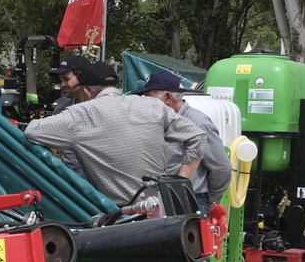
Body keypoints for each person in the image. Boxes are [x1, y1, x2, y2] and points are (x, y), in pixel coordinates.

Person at [24, 57, 211, 205]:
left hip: (120, 215)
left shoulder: (80, 114)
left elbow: (32, 131)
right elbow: (198, 136)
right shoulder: (153, 106)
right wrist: (180, 182)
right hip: (162, 207)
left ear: (87, 92)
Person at [134, 71, 232, 214]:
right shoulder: (159, 121)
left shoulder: (197, 121)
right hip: (161, 198)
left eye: (149, 98)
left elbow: (221, 167)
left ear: (167, 98)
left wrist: (211, 201)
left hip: (192, 200)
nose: (145, 102)